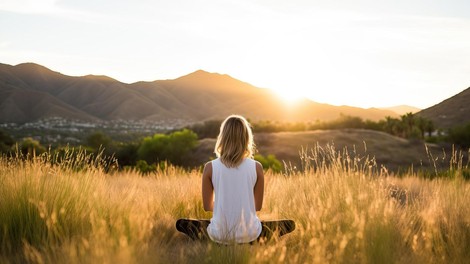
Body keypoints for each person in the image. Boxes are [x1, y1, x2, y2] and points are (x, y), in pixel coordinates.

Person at [176, 114, 295, 244]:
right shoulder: (257, 167)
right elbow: (257, 206)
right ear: (246, 139)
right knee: (284, 225)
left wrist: (225, 205)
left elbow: (207, 206)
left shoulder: (209, 167)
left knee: (184, 224)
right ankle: (260, 234)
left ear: (222, 138)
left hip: (219, 236)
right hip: (250, 235)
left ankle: (213, 234)